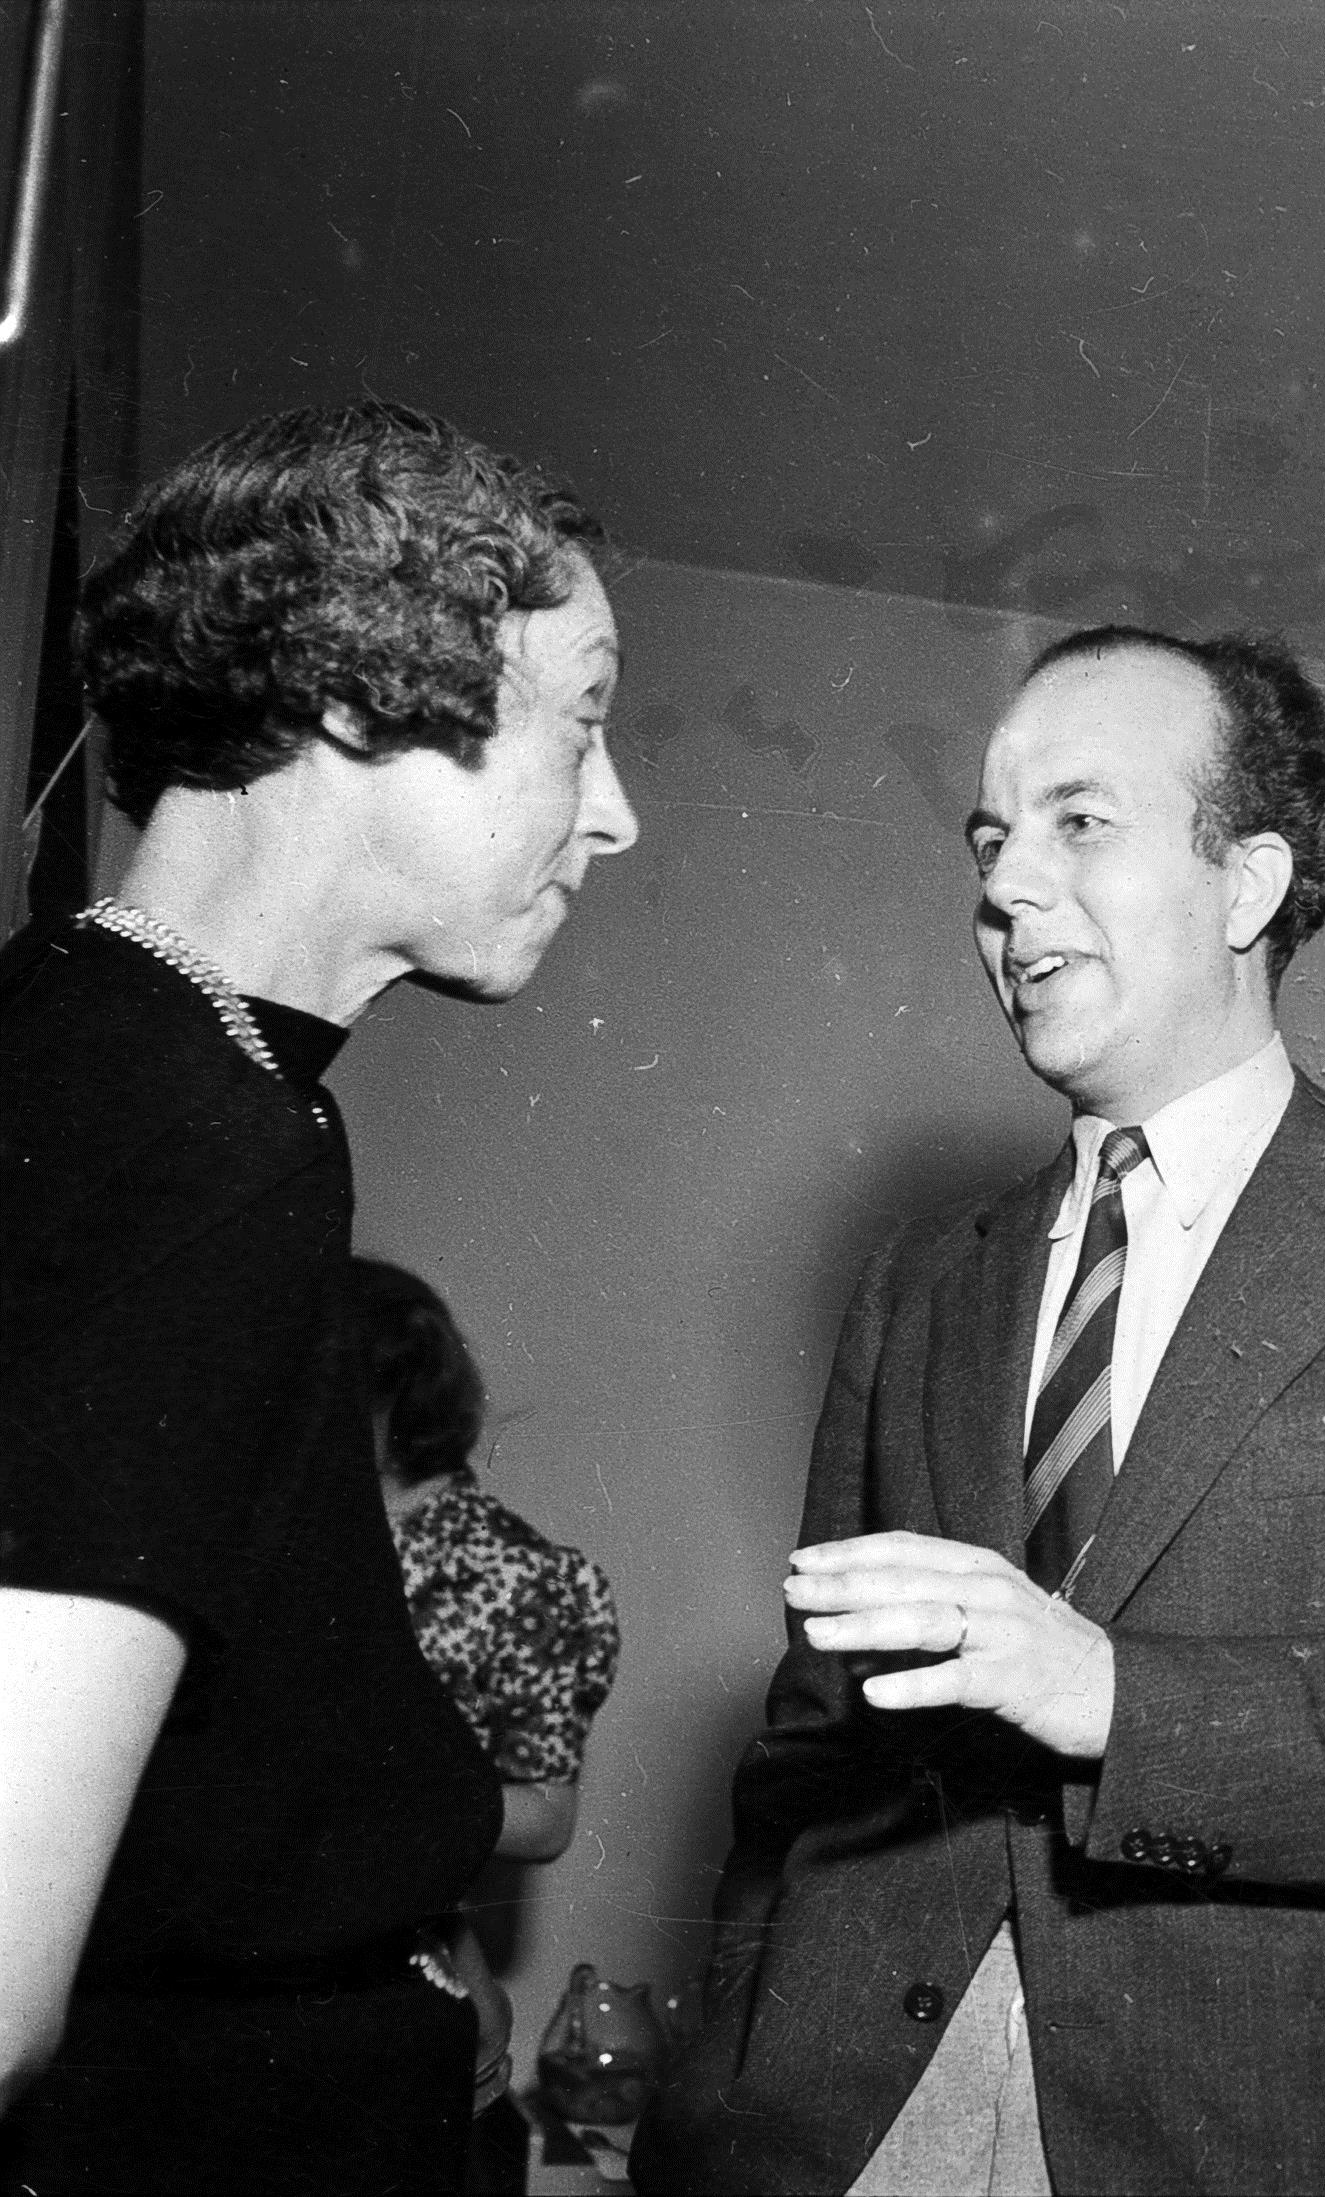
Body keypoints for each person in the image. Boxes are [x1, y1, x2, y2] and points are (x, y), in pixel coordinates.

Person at [632, 627, 1325, 2195]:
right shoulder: (919, 1281)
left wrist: (1112, 1697)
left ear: (1248, 886)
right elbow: (807, 1748)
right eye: (991, 841)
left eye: (1079, 823)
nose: (1008, 887)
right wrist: (722, 2080)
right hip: (837, 2128)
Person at [0, 402, 638, 2195]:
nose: (615, 814)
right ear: (366, 694)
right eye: (579, 723)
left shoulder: (138, 1056)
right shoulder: (180, 1133)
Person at [356, 1254, 622, 2187]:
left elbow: (547, 1817)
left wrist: (361, 1802)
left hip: (409, 2001)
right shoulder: (280, 1550)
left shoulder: (518, 1576)